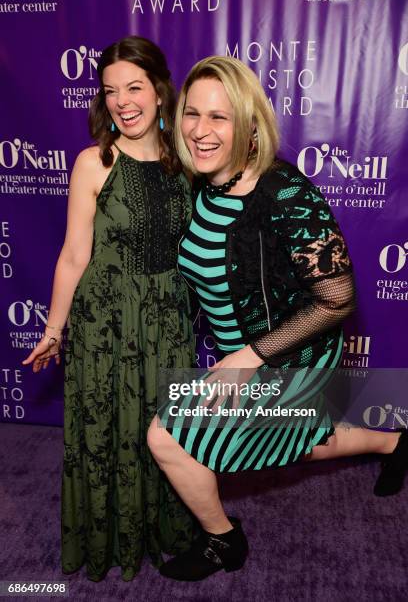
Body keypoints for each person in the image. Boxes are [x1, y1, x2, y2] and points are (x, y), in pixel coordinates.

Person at [146, 56, 408, 582]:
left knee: (166, 437)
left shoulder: (285, 195)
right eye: (191, 114)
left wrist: (248, 356)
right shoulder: (206, 183)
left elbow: (337, 299)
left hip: (291, 356)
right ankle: (396, 441)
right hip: (244, 352)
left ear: (248, 124)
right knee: (302, 439)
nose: (200, 131)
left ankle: (225, 542)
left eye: (219, 117)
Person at [22, 36, 197, 582]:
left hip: (168, 318)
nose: (123, 101)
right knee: (108, 431)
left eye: (135, 87)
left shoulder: (188, 159)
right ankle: (112, 538)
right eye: (111, 91)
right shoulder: (93, 162)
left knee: (164, 430)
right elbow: (74, 254)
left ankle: (165, 527)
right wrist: (55, 329)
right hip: (106, 323)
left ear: (160, 91)